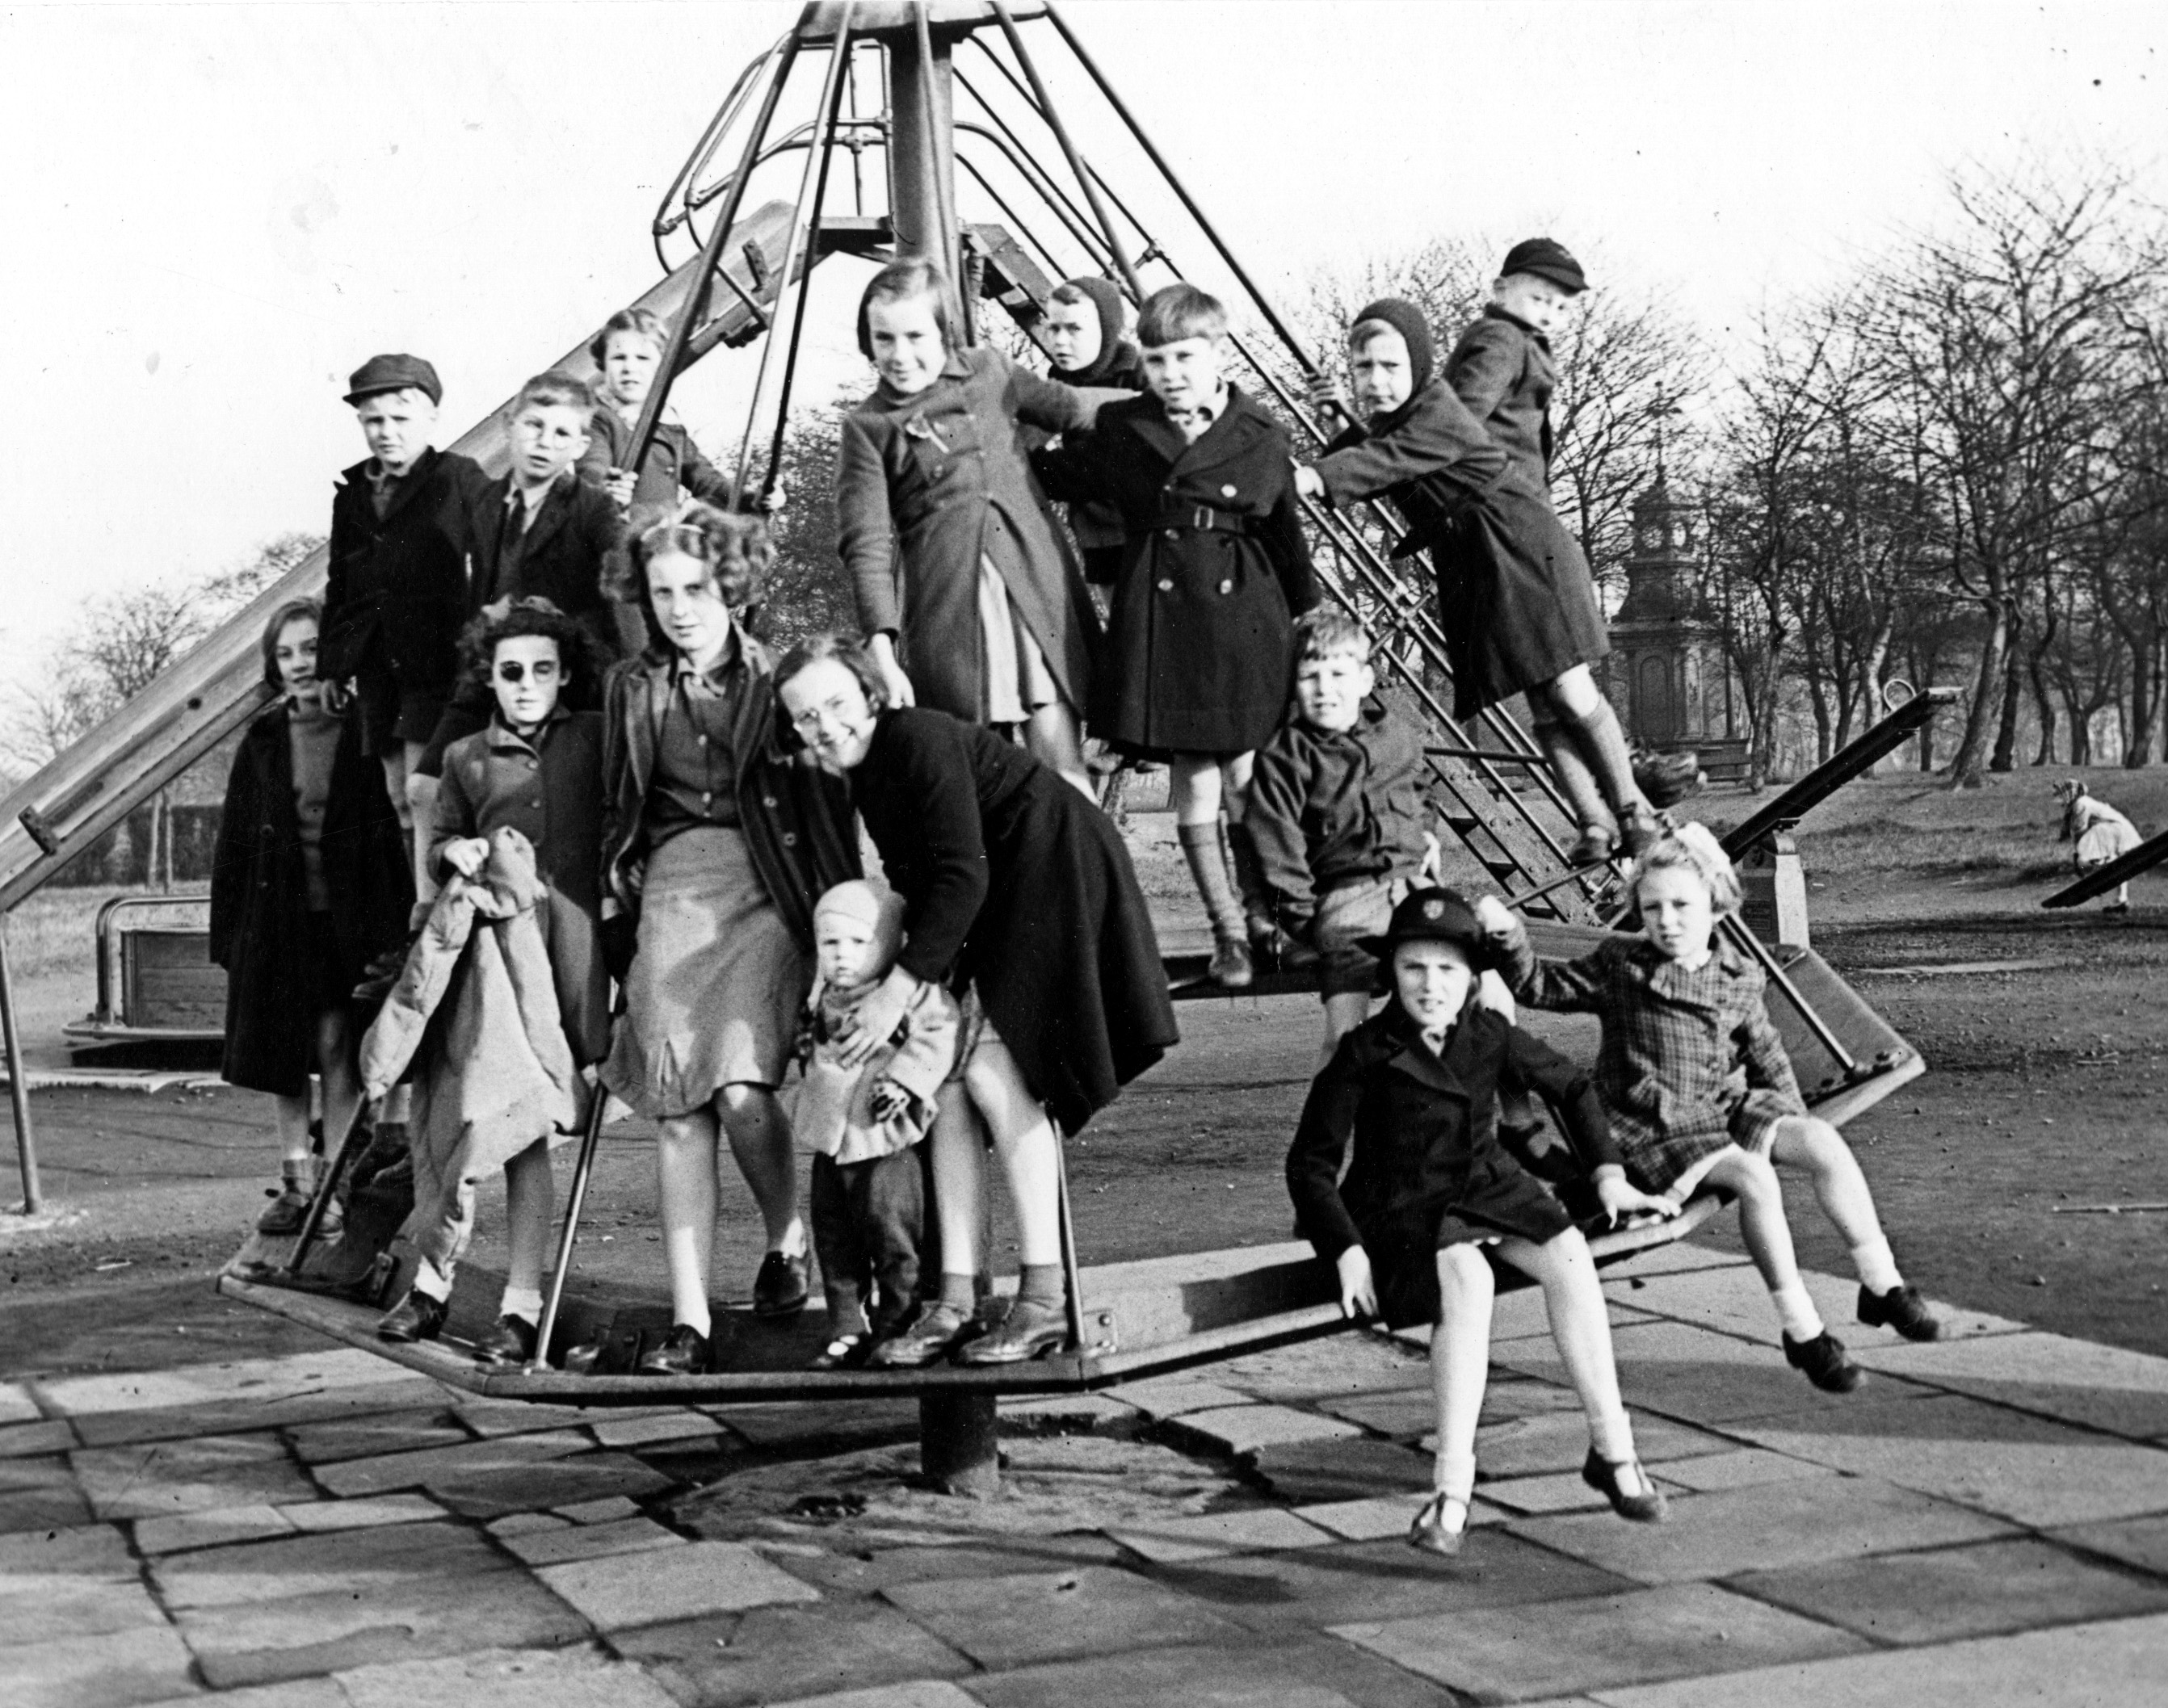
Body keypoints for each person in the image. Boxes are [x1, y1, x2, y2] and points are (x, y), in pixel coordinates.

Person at [776, 636, 1179, 1366]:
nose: (825, 726)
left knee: (998, 1078)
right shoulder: (865, 774)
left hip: (1054, 876)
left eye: (837, 703)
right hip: (999, 898)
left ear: (870, 694)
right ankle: (955, 1300)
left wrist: (896, 995)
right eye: (806, 718)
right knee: (951, 1089)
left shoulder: (918, 738)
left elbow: (962, 875)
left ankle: (1045, 1299)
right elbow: (923, 883)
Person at [1481, 822, 1945, 1394]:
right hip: (1650, 1124)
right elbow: (1536, 986)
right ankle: (1803, 1329)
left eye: (1682, 905)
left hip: (1720, 1106)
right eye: (1652, 908)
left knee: (1824, 1142)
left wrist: (1791, 1117)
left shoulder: (1737, 974)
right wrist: (1507, 936)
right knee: (1753, 1177)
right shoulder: (1621, 968)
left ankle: (1882, 1283)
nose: (1667, 920)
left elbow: (1766, 1050)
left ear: (1716, 903)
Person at [1288, 888, 1678, 1555]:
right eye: (1414, 968)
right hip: (1402, 1203)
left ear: (1472, 976)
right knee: (1468, 1281)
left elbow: (1572, 1086)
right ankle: (1452, 1492)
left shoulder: (1488, 1034)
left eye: (1447, 970)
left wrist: (1608, 1172)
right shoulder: (1365, 1051)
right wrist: (1347, 1249)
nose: (1430, 986)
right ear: (1392, 974)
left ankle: (1614, 1450)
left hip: (1486, 1184)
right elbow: (1310, 1164)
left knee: (1570, 1257)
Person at [601, 503, 860, 1376]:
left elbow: (825, 806)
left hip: (769, 890)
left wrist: (838, 928)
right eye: (662, 591)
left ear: (732, 585)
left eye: (697, 589)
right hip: (672, 892)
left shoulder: (771, 681)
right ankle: (690, 1321)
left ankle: (786, 1236)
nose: (678, 608)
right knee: (677, 1112)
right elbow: (617, 801)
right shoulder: (632, 686)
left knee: (744, 1092)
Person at [1297, 271, 1658, 866]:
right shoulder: (1399, 425)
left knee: (1568, 687)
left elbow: (1390, 460)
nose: (1376, 380)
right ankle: (1594, 822)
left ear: (1418, 364)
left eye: (1391, 366)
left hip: (1521, 544)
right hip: (1479, 557)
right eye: (1364, 369)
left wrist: (1317, 475)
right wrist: (1340, 428)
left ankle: (1633, 811)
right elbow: (1404, 487)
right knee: (1542, 702)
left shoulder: (1438, 411)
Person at [1036, 282, 1319, 988]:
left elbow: (1286, 535)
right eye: (1157, 360)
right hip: (1166, 616)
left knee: (1250, 776)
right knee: (1193, 780)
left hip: (1244, 615)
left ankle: (1269, 918)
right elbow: (1053, 475)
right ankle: (1228, 931)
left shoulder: (1259, 433)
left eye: (1185, 357)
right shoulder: (1124, 429)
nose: (1170, 374)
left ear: (1216, 352)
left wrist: (1308, 617)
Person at [373, 598, 611, 1365]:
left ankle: (520, 1301)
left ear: (565, 673)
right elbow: (438, 838)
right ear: (492, 679)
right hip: (495, 965)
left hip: (570, 957)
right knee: (483, 1115)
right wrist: (458, 854)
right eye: (512, 672)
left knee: (533, 1130)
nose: (528, 684)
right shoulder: (470, 757)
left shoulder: (596, 740)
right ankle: (439, 1289)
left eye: (543, 669)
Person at [834, 258, 1105, 796]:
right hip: (953, 608)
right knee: (986, 774)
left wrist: (1163, 401)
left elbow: (1073, 408)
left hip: (1032, 587)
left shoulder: (990, 372)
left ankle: (1094, 875)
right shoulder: (868, 427)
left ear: (945, 331)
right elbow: (865, 543)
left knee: (1061, 754)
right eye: (883, 338)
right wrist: (882, 649)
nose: (900, 354)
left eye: (915, 335)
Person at [210, 600, 412, 1233]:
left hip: (350, 920)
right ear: (273, 663)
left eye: (310, 648)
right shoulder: (263, 739)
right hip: (281, 921)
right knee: (285, 1049)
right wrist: (230, 938)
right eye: (286, 652)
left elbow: (388, 832)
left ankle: (336, 1183)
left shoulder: (364, 729)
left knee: (339, 1045)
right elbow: (236, 841)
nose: (299, 663)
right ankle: (295, 1182)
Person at [317, 355, 490, 913]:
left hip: (436, 659)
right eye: (374, 421)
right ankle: (425, 909)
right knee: (398, 794)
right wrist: (332, 665)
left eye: (400, 418)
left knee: (427, 790)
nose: (386, 432)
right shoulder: (351, 497)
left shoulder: (459, 478)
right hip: (377, 663)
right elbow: (340, 581)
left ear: (432, 417)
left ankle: (430, 919)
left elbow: (496, 545)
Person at [415, 372, 637, 771]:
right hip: (493, 669)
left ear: (580, 446)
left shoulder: (593, 508)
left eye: (561, 434)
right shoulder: (483, 503)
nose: (544, 442)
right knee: (425, 784)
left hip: (564, 680)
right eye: (534, 425)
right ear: (509, 426)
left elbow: (628, 578)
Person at [1243, 610, 1439, 1060]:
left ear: (1365, 679)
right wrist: (1301, 921)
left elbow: (1422, 786)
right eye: (1310, 677)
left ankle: (1511, 1123)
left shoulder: (1396, 734)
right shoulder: (1287, 756)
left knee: (1483, 1003)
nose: (1325, 689)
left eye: (1337, 674)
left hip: (1416, 891)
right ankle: (1327, 1131)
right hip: (1347, 901)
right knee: (1347, 1040)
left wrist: (1426, 832)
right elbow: (1278, 848)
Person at [794, 880, 960, 1370]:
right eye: (830, 943)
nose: (842, 955)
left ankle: (897, 1320)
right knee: (833, 1234)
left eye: (858, 942)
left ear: (887, 943)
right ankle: (846, 1324)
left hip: (885, 1139)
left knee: (892, 1231)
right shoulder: (824, 994)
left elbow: (939, 1031)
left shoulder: (908, 996)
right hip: (832, 1138)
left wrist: (906, 1081)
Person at [578, 307, 744, 533]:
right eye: (618, 358)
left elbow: (707, 480)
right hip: (617, 539)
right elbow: (592, 466)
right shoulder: (598, 418)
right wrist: (604, 488)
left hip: (661, 541)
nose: (630, 368)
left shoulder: (668, 424)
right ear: (603, 365)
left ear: (661, 367)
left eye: (643, 358)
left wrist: (749, 496)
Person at [1042, 275, 1145, 586]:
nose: (1060, 341)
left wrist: (1042, 469)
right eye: (1054, 328)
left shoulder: (1139, 377)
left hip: (1144, 532)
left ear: (1107, 331)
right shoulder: (1058, 381)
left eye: (1074, 329)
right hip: (1098, 535)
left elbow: (1108, 466)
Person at [2055, 779, 2143, 913]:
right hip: (2116, 831)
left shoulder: (2080, 804)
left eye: (2061, 795)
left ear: (2069, 794)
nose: (2058, 800)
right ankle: (2121, 899)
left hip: (2114, 831)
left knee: (2088, 858)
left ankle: (2099, 871)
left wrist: (2080, 859)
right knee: (2117, 863)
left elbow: (2080, 832)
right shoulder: (2079, 804)